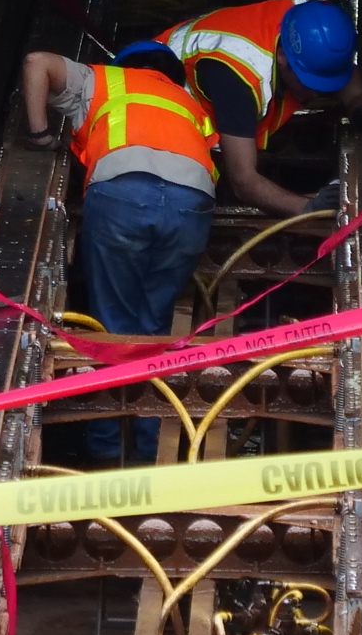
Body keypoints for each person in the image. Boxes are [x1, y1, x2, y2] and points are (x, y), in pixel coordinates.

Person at [23, 47, 224, 462]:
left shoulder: (103, 79)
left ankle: (105, 458)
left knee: (112, 331)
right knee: (152, 332)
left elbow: (35, 62)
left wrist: (41, 135)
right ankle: (147, 454)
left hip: (123, 196)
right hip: (192, 206)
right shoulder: (193, 105)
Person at [118, 0, 352, 219]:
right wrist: (309, 208)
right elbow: (243, 181)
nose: (317, 94)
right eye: (310, 82)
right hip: (149, 110)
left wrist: (361, 100)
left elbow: (337, 61)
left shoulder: (308, 20)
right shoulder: (239, 79)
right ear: (282, 56)